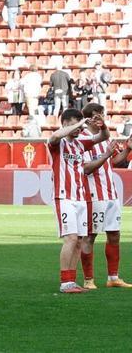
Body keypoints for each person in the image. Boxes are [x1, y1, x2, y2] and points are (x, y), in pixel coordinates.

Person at [48, 108, 108, 293]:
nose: (78, 129)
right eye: (73, 124)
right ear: (65, 123)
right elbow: (55, 136)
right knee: (71, 238)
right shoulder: (57, 143)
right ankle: (65, 282)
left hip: (81, 197)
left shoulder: (80, 144)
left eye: (79, 124)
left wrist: (102, 124)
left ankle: (71, 281)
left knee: (80, 240)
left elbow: (103, 136)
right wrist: (80, 124)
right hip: (64, 196)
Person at [78, 104, 132, 289]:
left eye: (102, 113)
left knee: (114, 235)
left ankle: (113, 278)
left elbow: (115, 161)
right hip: (93, 194)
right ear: (87, 119)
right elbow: (85, 168)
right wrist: (106, 154)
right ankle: (88, 279)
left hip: (111, 194)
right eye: (96, 115)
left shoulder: (105, 137)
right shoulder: (82, 139)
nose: (100, 117)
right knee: (90, 237)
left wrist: (127, 149)